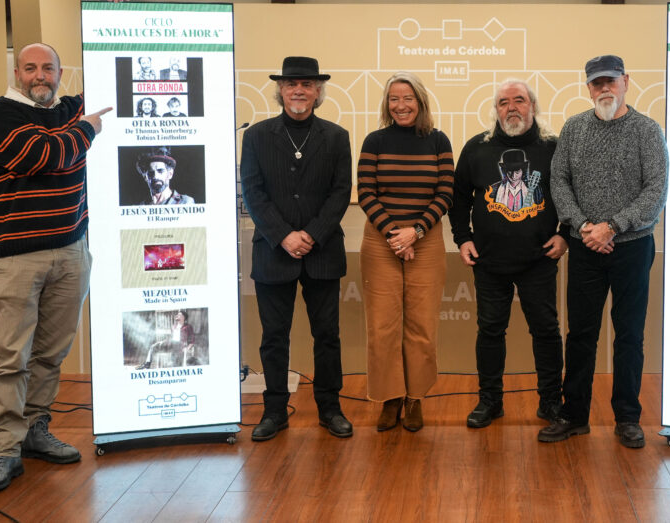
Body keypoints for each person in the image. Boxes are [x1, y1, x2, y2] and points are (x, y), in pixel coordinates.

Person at [0, 43, 110, 493]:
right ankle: (5, 451)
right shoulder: (1, 112)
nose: (40, 76)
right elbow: (42, 157)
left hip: (72, 250)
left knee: (50, 353)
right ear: (17, 72)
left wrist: (113, 16)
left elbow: (109, 80)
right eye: (30, 68)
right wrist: (88, 131)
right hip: (17, 256)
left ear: (59, 72)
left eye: (48, 68)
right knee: (10, 357)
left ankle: (35, 430)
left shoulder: (69, 111)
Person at [539, 54, 668, 449]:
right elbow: (558, 181)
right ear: (588, 87)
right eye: (597, 83)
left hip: (632, 248)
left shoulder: (647, 130)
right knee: (581, 334)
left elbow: (656, 189)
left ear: (626, 81)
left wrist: (612, 226)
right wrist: (583, 227)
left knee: (629, 335)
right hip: (584, 249)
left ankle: (627, 417)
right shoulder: (574, 128)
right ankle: (574, 415)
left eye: (611, 80)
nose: (604, 88)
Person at [240, 56, 353, 440]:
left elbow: (340, 193)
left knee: (328, 336)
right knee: (274, 337)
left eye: (307, 84)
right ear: (281, 91)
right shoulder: (255, 136)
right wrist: (284, 235)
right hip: (273, 250)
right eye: (292, 84)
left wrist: (313, 234)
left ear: (318, 91)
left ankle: (330, 408)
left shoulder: (337, 137)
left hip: (323, 252)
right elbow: (253, 192)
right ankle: (274, 411)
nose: (299, 90)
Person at [449, 80, 567, 428]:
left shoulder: (553, 147)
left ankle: (550, 403)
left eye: (519, 100)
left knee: (546, 331)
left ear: (533, 106)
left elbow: (571, 195)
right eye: (504, 102)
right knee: (489, 331)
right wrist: (462, 238)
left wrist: (565, 236)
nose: (511, 108)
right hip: (489, 260)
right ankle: (490, 402)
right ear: (495, 109)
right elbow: (458, 200)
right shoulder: (476, 148)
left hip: (540, 259)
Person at [358, 72, 453, 432]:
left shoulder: (438, 141)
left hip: (425, 239)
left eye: (408, 98)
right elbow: (366, 191)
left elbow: (445, 193)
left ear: (421, 101)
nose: (401, 105)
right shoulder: (374, 141)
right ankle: (390, 398)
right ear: (387, 104)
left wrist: (414, 232)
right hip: (381, 241)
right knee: (382, 327)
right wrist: (394, 235)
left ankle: (415, 398)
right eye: (394, 99)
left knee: (422, 325)